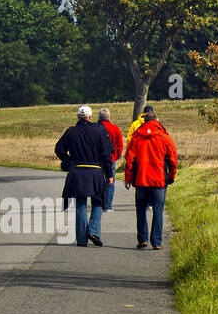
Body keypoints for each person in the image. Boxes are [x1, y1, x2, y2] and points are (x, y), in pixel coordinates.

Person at [55, 105, 115, 247]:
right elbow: (107, 155)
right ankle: (93, 230)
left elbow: (59, 149)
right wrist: (109, 174)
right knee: (98, 202)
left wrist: (69, 161)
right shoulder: (99, 132)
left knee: (80, 204)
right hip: (95, 171)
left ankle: (82, 239)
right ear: (90, 117)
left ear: (78, 117)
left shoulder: (71, 132)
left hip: (77, 172)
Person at [124, 107, 178, 250]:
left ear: (144, 121)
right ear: (156, 121)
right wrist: (171, 176)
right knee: (158, 210)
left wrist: (128, 178)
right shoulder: (164, 137)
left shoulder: (136, 137)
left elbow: (129, 159)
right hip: (159, 180)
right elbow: (173, 159)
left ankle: (142, 239)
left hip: (141, 180)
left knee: (141, 209)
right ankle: (157, 242)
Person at [98, 108, 124, 211]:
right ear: (109, 117)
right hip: (111, 159)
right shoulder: (115, 128)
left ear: (99, 117)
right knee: (110, 182)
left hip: (98, 160)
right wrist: (116, 156)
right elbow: (120, 144)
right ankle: (108, 206)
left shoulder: (96, 128)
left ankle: (99, 205)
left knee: (99, 182)